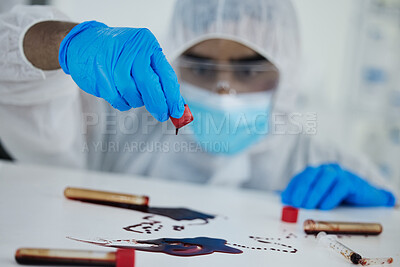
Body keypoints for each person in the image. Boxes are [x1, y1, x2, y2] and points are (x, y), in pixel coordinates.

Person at [0, 0, 396, 210]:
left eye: (248, 70)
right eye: (202, 69)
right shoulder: (117, 125)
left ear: (288, 71)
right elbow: (16, 84)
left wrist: (385, 212)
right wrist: (64, 42)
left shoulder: (323, 162)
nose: (224, 92)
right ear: (173, 64)